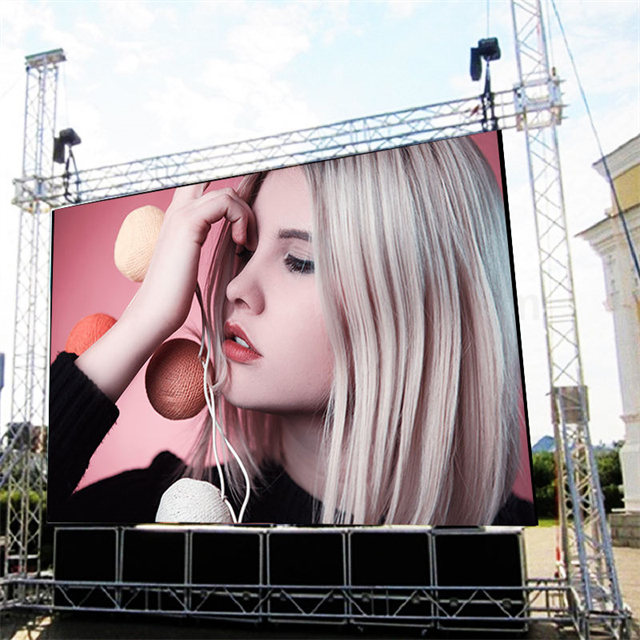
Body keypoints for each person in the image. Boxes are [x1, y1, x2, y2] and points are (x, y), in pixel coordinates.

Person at [48, 136, 535, 526]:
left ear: (420, 301)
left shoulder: (514, 548)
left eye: (300, 261)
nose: (237, 286)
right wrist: (140, 324)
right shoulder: (159, 516)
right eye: (244, 249)